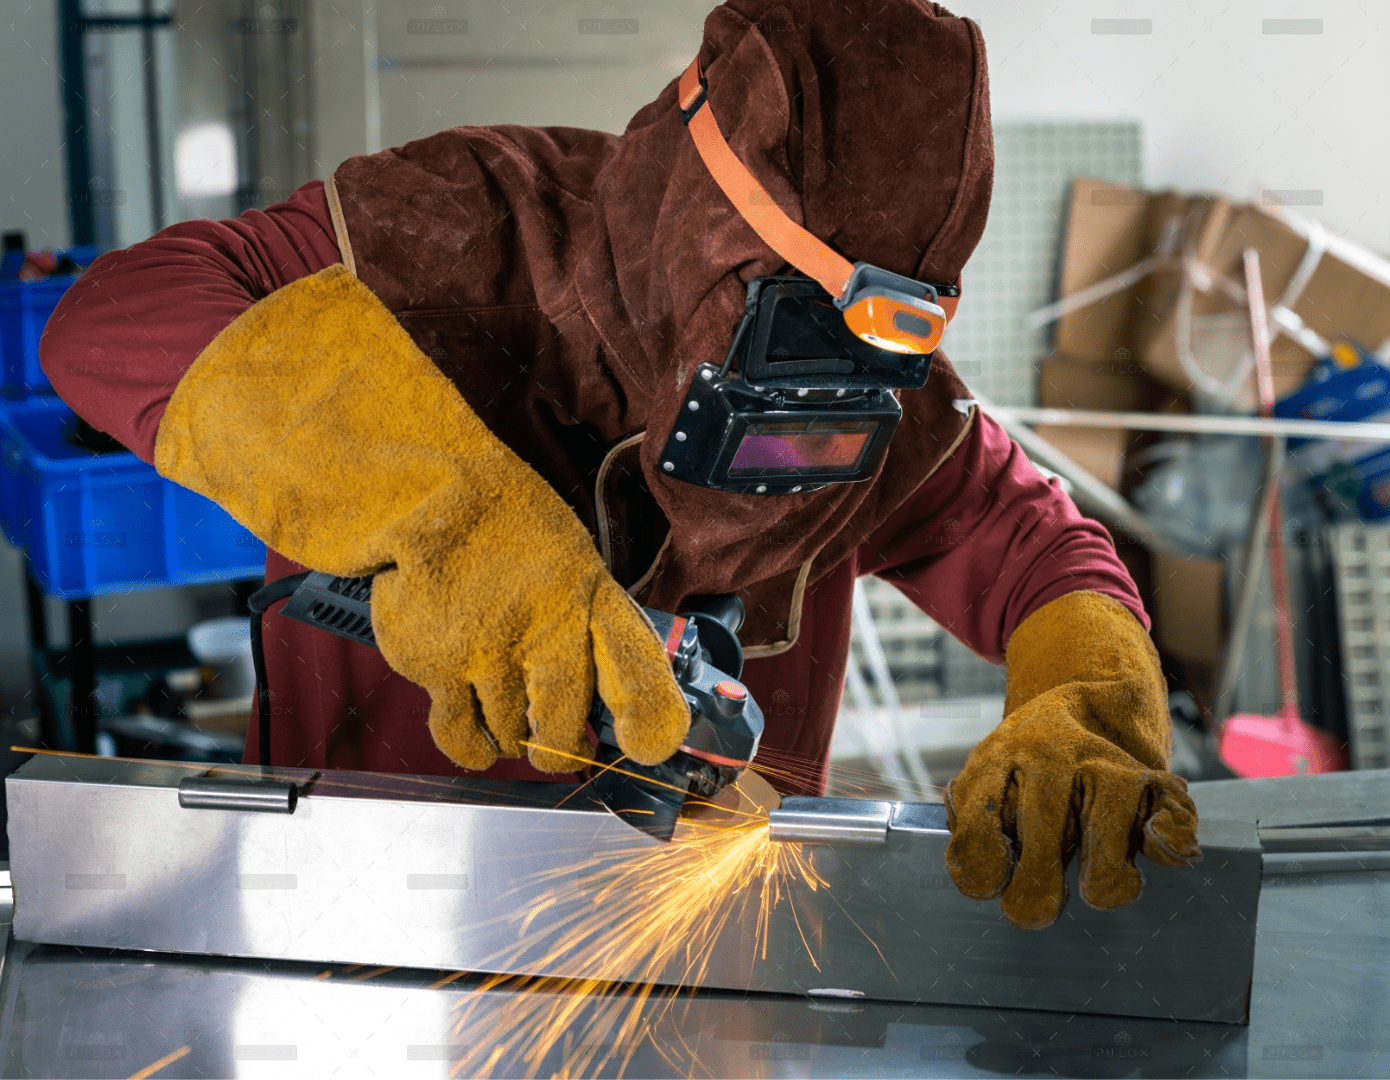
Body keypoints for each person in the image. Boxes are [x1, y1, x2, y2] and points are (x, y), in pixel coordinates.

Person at [40, 0, 1200, 930]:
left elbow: (1047, 558)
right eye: (778, 341)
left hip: (700, 931)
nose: (800, 415)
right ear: (705, 227)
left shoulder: (881, 401)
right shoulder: (463, 226)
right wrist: (450, 518)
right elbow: (114, 314)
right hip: (362, 889)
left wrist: (1084, 701)